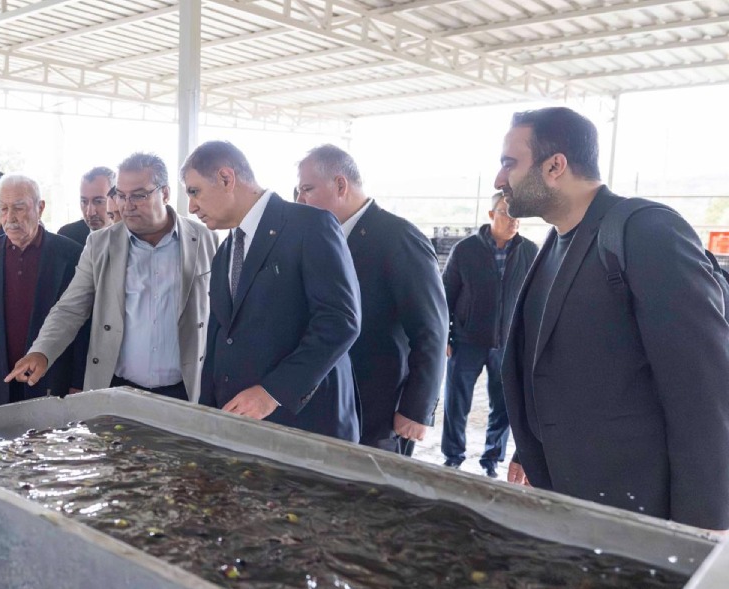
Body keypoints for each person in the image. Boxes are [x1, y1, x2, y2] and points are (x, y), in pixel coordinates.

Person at [497, 107, 729, 530]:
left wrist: (702, 526)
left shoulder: (645, 230)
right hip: (574, 498)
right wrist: (531, 449)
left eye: (509, 163)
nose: (499, 179)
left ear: (555, 166)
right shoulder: (554, 242)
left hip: (639, 507)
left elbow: (704, 388)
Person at [184, 141, 361, 441]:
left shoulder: (309, 225)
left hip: (305, 427)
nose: (191, 206)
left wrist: (273, 392)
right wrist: (207, 416)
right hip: (241, 428)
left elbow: (339, 321)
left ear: (227, 179)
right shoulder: (225, 251)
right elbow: (219, 339)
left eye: (194, 191)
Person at [8, 153, 216, 402]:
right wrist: (41, 352)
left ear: (165, 193)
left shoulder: (204, 240)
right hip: (117, 390)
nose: (127, 205)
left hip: (184, 391)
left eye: (139, 195)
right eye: (120, 194)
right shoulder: (100, 245)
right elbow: (70, 309)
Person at [296, 145, 447, 456]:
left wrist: (417, 409)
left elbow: (431, 328)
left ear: (340, 185)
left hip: (380, 407)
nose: (300, 201)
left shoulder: (397, 237)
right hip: (330, 403)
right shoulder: (323, 239)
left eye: (307, 190)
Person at [0, 174, 86, 406]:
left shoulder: (71, 255)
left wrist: (78, 382)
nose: (10, 217)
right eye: (4, 209)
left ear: (40, 207)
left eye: (19, 208)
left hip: (54, 377)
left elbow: (81, 324)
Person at [440, 193, 539, 476]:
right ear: (491, 214)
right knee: (456, 403)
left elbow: (535, 301)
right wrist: (446, 337)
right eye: (507, 213)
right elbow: (446, 294)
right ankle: (453, 456)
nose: (514, 221)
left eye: (518, 215)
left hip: (507, 346)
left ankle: (491, 460)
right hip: (466, 340)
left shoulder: (530, 251)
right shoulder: (465, 250)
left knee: (504, 407)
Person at [58, 166, 116, 247]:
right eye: (84, 202)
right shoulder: (66, 236)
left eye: (99, 201)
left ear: (116, 199)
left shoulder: (133, 238)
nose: (90, 213)